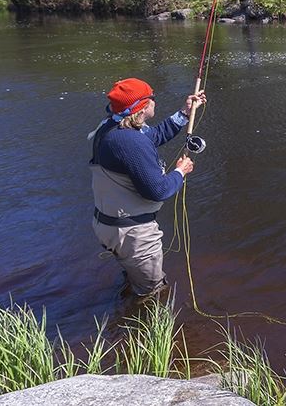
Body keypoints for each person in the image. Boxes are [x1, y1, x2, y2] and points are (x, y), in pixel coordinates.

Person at [89, 78, 207, 298]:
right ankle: (146, 328)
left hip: (108, 226)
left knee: (132, 281)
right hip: (132, 234)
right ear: (142, 107)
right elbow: (158, 191)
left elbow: (153, 136)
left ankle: (122, 318)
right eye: (152, 97)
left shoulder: (111, 127)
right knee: (153, 294)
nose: (155, 100)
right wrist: (180, 172)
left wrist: (184, 112)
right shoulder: (130, 142)